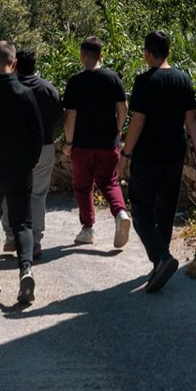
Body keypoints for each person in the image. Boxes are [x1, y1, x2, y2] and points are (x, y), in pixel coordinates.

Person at [120, 29, 196, 292]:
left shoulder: (144, 81)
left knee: (141, 208)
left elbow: (138, 120)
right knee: (166, 208)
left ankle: (161, 258)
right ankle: (161, 262)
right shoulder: (183, 79)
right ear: (168, 51)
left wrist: (125, 155)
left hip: (148, 155)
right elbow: (192, 120)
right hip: (174, 153)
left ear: (147, 54)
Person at [0, 40, 43, 307]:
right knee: (22, 222)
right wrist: (29, 162)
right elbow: (37, 134)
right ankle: (25, 269)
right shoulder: (25, 94)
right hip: (19, 167)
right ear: (13, 63)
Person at [62, 36, 131, 248]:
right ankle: (120, 213)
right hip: (107, 143)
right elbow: (123, 108)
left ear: (82, 56)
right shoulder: (112, 78)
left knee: (83, 187)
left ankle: (88, 229)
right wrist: (118, 130)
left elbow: (70, 116)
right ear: (101, 56)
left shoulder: (75, 82)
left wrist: (68, 142)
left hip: (82, 145)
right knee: (109, 182)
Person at [1, 47, 62, 260]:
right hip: (44, 146)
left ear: (15, 64)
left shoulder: (9, 89)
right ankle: (35, 241)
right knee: (38, 194)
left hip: (13, 149)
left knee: (10, 194)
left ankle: (11, 237)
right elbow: (57, 119)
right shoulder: (48, 89)